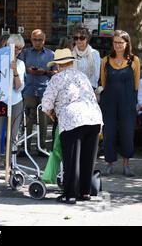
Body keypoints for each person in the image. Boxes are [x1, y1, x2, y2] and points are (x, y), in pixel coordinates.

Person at [42, 48, 103, 204]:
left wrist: (52, 114)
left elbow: (46, 104)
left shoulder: (57, 78)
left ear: (58, 65)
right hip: (94, 117)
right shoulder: (82, 76)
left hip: (72, 119)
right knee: (87, 158)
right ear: (71, 63)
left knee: (71, 159)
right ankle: (85, 192)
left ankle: (69, 195)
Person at [100, 30, 140, 177]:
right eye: (115, 42)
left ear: (126, 44)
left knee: (127, 133)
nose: (117, 45)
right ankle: (109, 164)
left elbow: (136, 84)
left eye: (120, 42)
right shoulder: (105, 61)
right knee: (109, 133)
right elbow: (103, 83)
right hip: (109, 102)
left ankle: (126, 165)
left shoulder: (134, 60)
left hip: (127, 101)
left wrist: (133, 101)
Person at [0, 34, 25, 182]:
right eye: (15, 47)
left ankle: (9, 167)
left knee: (12, 137)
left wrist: (15, 70)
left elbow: (18, 87)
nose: (17, 51)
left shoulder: (21, 64)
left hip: (15, 102)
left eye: (20, 48)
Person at [19, 29, 56, 155]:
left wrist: (45, 72)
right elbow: (18, 69)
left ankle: (42, 147)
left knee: (44, 120)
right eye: (35, 39)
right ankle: (25, 147)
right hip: (28, 89)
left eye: (40, 40)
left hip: (44, 90)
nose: (37, 42)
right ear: (31, 40)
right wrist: (28, 71)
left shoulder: (51, 54)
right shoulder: (25, 53)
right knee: (27, 120)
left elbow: (56, 72)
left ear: (44, 40)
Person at [71, 24, 101, 89]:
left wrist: (85, 88)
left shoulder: (95, 53)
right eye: (76, 38)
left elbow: (96, 76)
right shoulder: (71, 54)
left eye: (82, 38)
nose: (78, 40)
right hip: (73, 89)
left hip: (89, 89)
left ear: (87, 38)